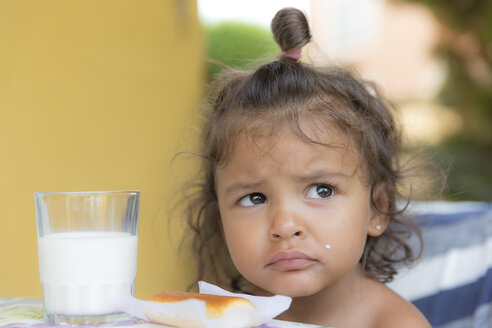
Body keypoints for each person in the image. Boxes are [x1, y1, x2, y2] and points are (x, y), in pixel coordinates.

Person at [177, 7, 432, 328]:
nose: (284, 225)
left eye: (321, 190)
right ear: (221, 219)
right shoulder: (219, 319)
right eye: (254, 198)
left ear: (377, 209)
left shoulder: (394, 324)